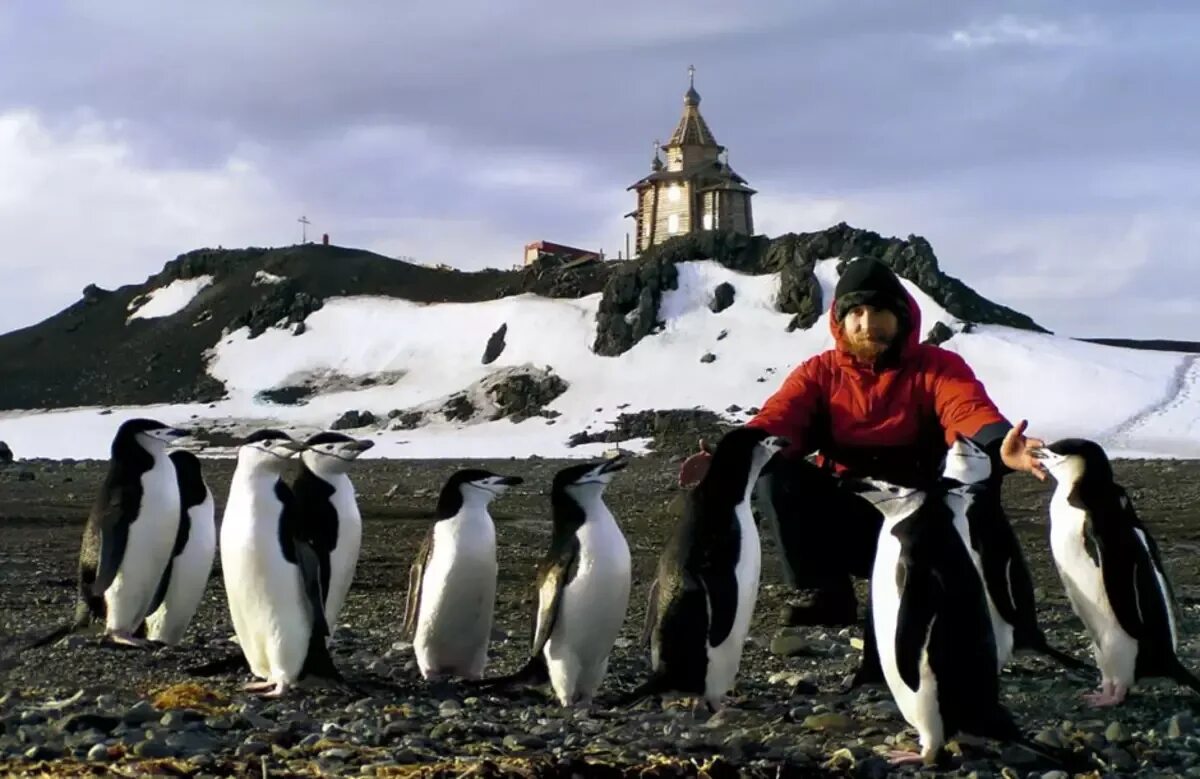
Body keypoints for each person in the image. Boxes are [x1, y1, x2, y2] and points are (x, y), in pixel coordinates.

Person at [679, 257, 1047, 627]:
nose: (867, 324)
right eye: (856, 312)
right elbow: (780, 420)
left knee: (972, 479)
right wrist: (734, 457)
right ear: (840, 320)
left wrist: (999, 443)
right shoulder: (820, 374)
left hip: (916, 520)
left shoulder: (935, 367)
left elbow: (967, 411)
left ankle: (938, 589)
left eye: (880, 311)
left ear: (902, 316)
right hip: (844, 520)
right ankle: (829, 595)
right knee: (775, 473)